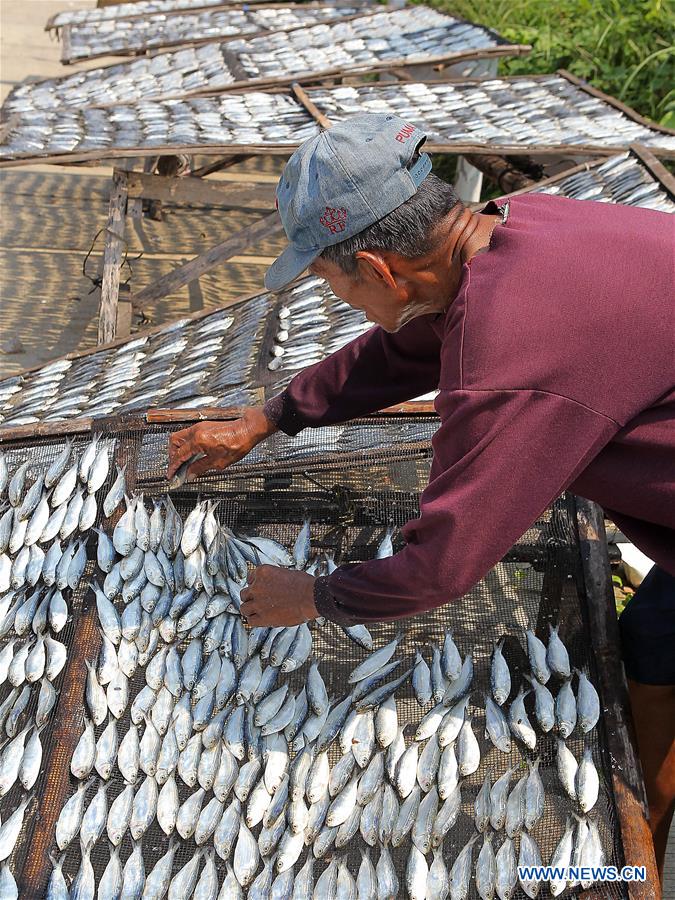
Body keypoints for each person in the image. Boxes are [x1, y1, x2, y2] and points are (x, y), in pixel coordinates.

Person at [167, 113, 674, 877]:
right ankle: (645, 839)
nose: (335, 298)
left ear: (380, 268)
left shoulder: (513, 348)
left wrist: (314, 596)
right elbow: (412, 343)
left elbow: (444, 566)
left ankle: (631, 863)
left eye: (330, 283)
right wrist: (269, 417)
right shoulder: (518, 228)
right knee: (653, 649)